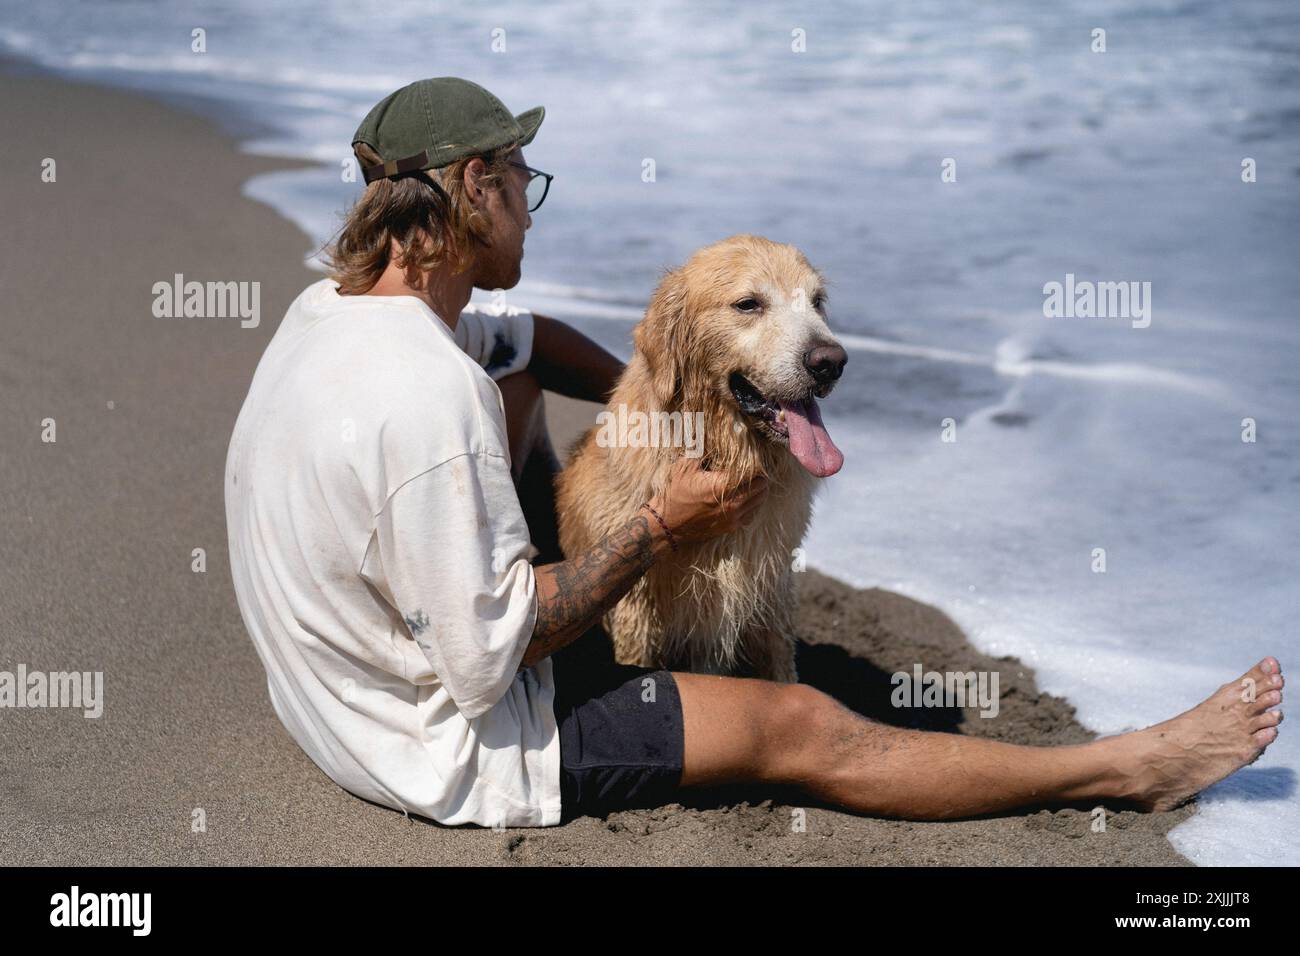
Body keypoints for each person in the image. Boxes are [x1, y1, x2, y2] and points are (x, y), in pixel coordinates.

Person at [224, 77, 1283, 829]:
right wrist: (655, 526)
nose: (528, 201)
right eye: (517, 175)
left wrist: (667, 400)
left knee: (518, 382)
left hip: (324, 688)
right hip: (446, 747)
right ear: (470, 190)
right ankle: (1115, 769)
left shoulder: (339, 313)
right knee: (801, 724)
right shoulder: (426, 401)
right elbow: (489, 658)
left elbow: (530, 342)